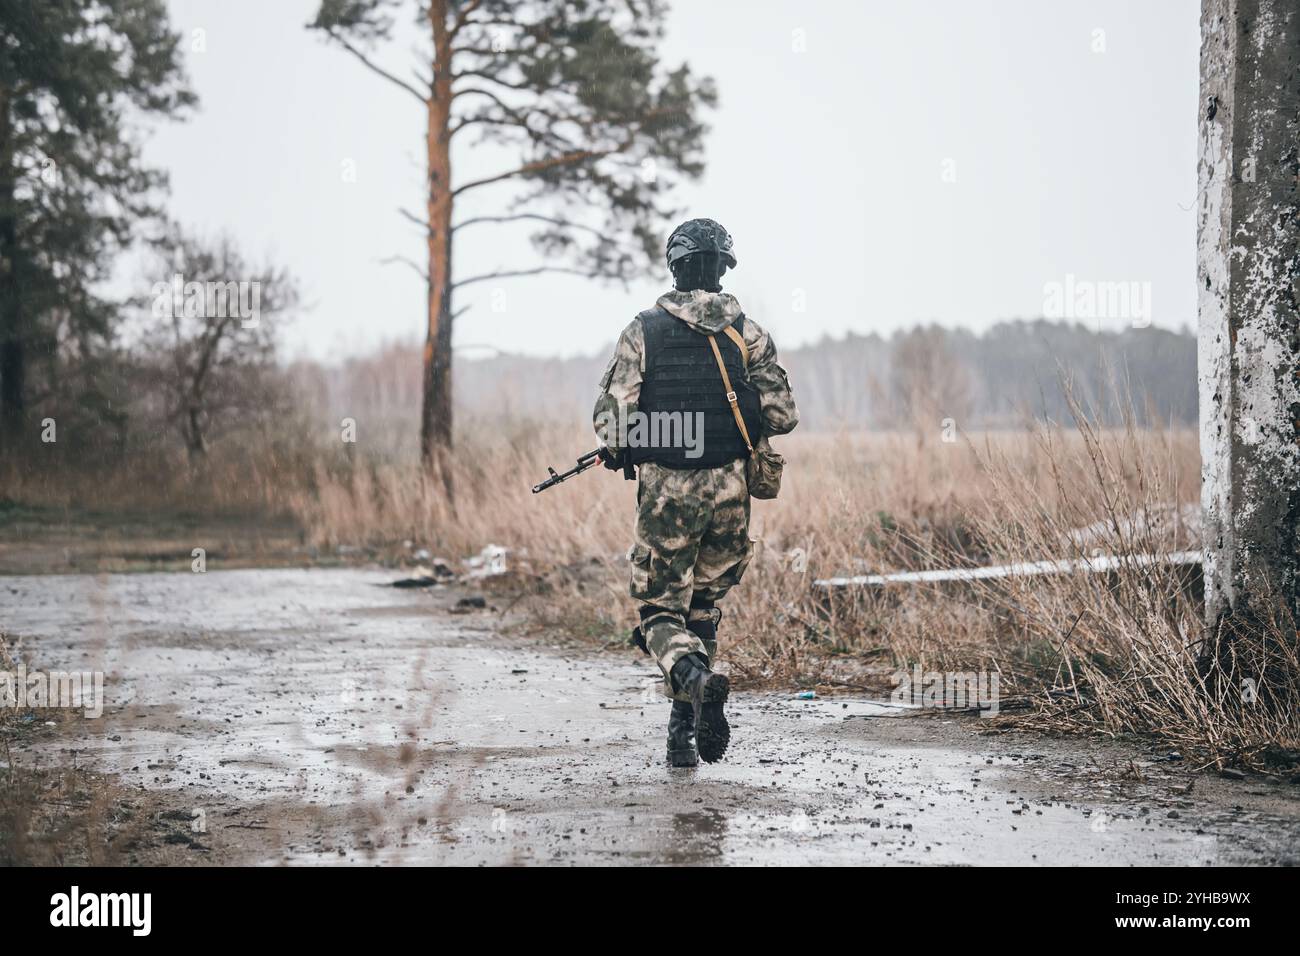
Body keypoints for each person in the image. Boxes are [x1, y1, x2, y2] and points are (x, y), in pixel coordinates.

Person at [592, 217, 799, 767]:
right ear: (723, 268)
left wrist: (632, 445)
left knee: (660, 610)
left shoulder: (644, 331)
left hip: (667, 494)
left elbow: (612, 425)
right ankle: (681, 737)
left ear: (676, 268)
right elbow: (783, 415)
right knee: (704, 605)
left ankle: (693, 677)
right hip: (731, 490)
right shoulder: (748, 334)